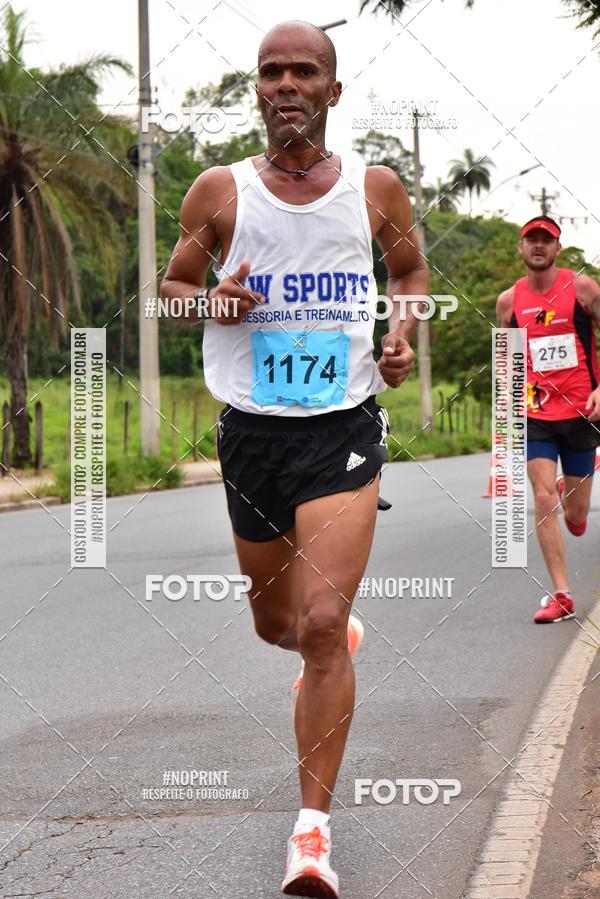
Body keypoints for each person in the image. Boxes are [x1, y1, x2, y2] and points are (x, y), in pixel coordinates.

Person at [161, 20, 428, 897]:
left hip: (343, 428)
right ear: (258, 90)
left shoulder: (374, 187)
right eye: (271, 71)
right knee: (278, 624)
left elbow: (413, 274)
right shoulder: (220, 192)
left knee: (318, 628)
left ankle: (310, 835)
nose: (286, 84)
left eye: (303, 71)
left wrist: (400, 333)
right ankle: (324, 633)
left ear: (332, 92)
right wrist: (211, 306)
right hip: (252, 435)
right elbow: (169, 294)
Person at [497, 215, 600, 624]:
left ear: (558, 249)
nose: (538, 246)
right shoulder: (509, 301)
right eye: (531, 240)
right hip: (533, 414)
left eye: (547, 240)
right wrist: (506, 414)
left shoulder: (584, 288)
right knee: (541, 499)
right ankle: (561, 593)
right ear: (521, 248)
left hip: (581, 412)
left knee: (576, 515)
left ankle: (571, 497)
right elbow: (505, 359)